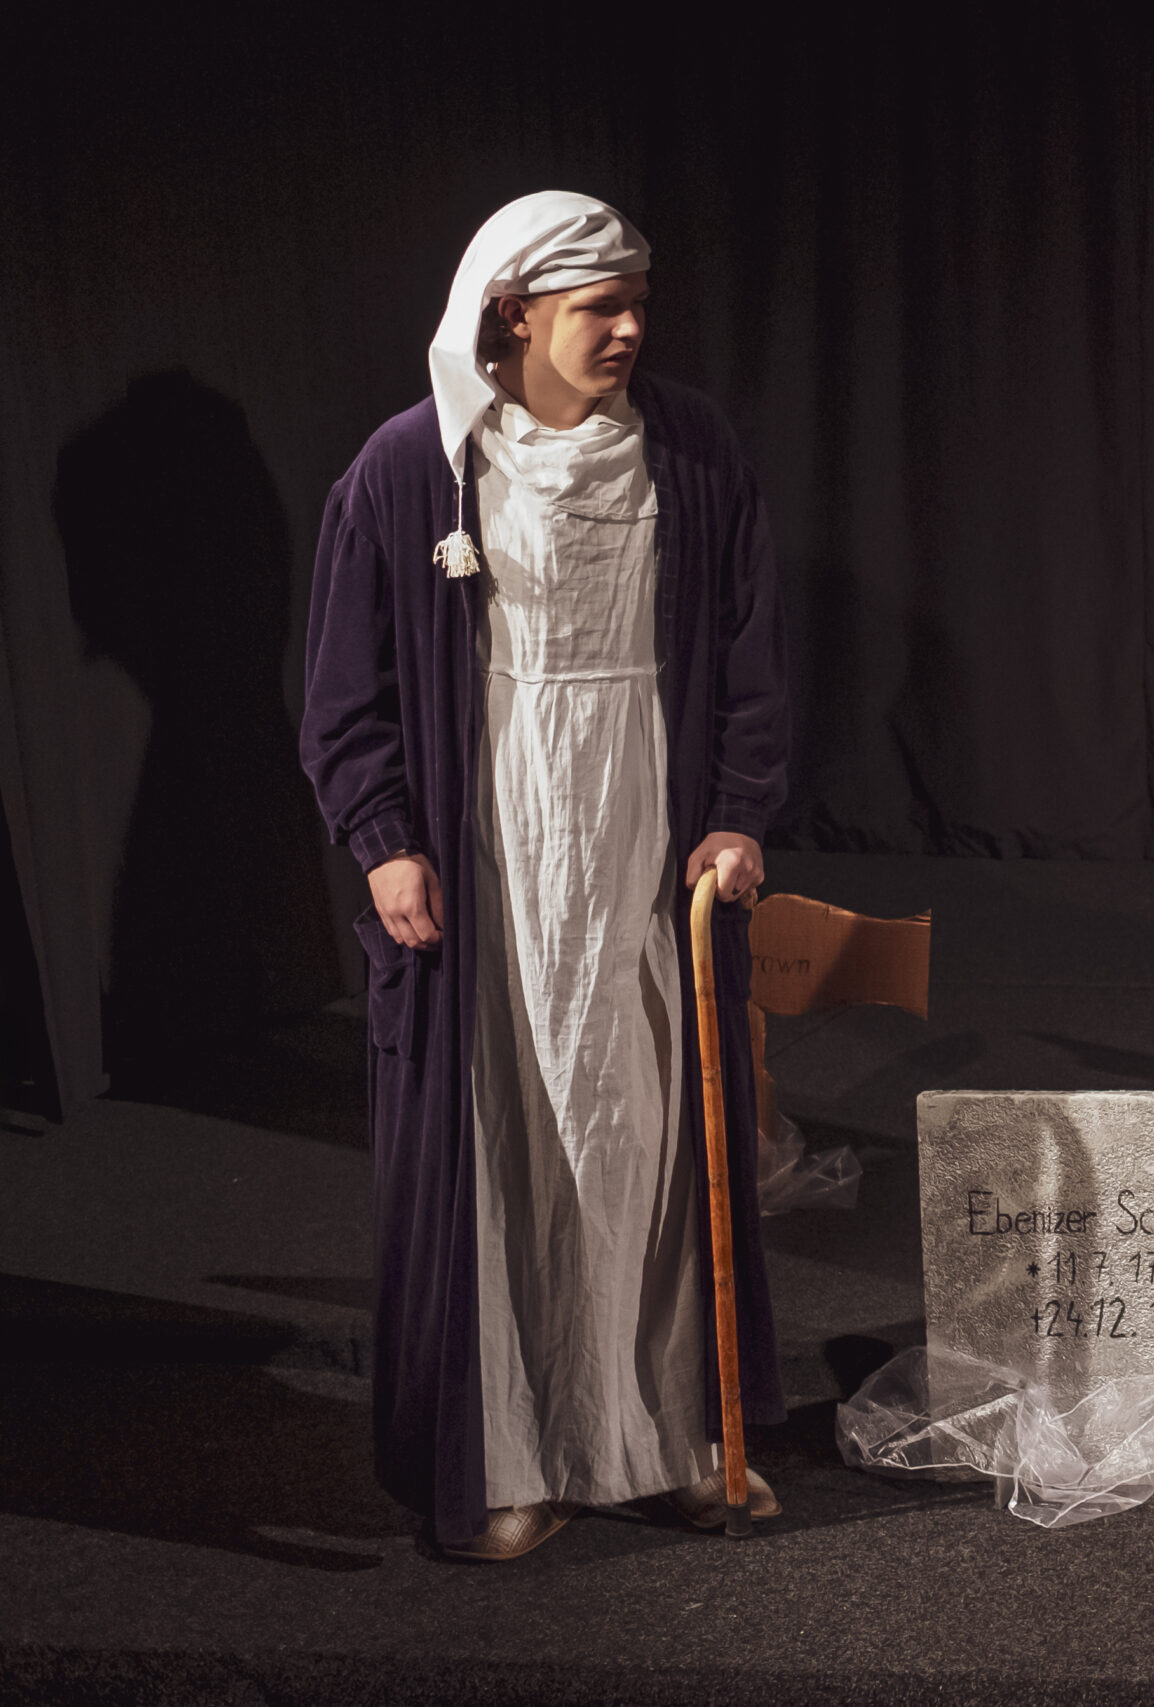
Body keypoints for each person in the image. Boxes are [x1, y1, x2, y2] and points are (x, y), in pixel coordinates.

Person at [300, 192, 791, 1559]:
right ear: (514, 315)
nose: (629, 329)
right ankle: (514, 1456)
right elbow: (343, 692)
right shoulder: (412, 468)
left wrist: (739, 815)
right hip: (493, 855)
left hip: (643, 841)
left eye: (638, 303)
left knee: (651, 1136)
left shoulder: (690, 448)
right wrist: (385, 839)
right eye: (599, 307)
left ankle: (675, 1437)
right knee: (510, 1142)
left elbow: (749, 653)